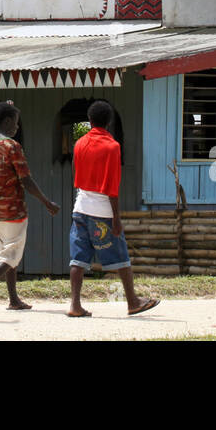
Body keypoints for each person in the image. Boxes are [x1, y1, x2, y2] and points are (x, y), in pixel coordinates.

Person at [68, 100, 159, 318]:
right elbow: (112, 186)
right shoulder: (112, 147)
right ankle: (133, 302)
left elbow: (76, 173)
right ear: (109, 122)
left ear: (89, 121)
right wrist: (116, 217)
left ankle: (75, 305)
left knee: (78, 259)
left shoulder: (79, 143)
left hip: (80, 206)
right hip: (102, 211)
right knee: (121, 257)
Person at [0, 100, 60, 313]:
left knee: (6, 254)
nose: (17, 128)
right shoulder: (13, 146)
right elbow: (26, 180)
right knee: (12, 255)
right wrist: (47, 202)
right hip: (14, 209)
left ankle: (13, 299)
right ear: (8, 120)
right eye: (16, 123)